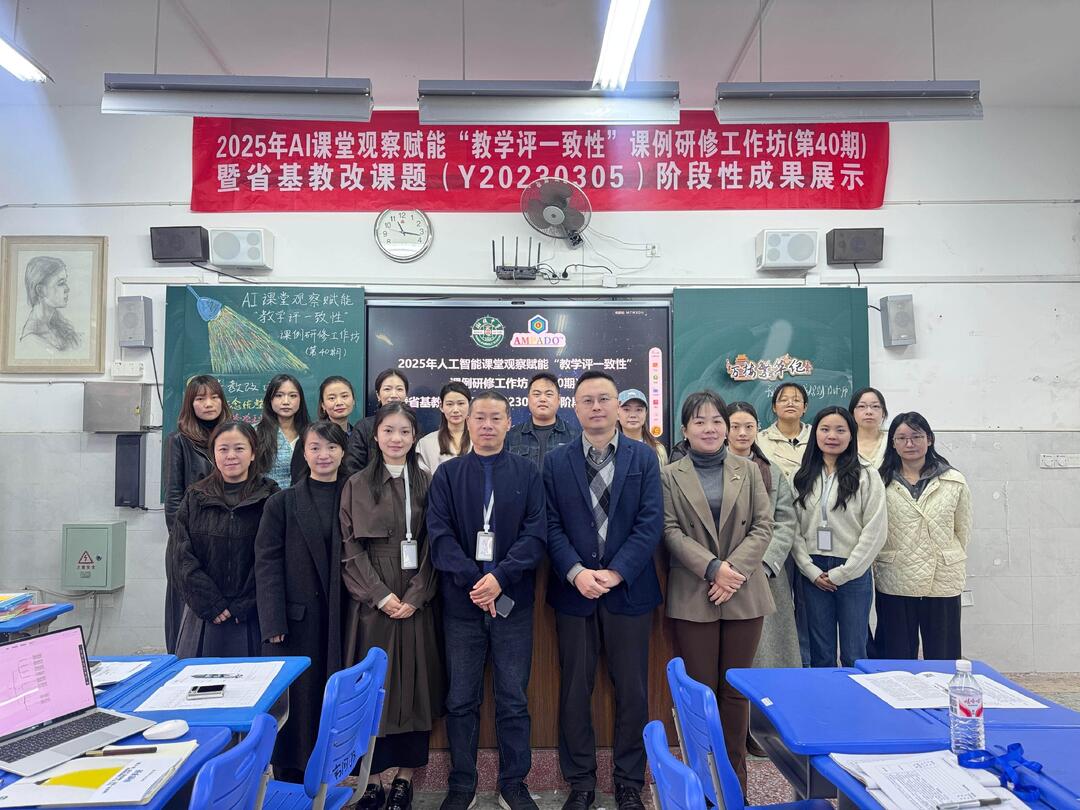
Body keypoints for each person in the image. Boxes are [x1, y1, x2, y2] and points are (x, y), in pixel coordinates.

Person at [544, 371, 663, 810]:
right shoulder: (555, 461)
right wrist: (576, 571)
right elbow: (549, 524)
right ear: (575, 407)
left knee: (632, 691)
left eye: (604, 399)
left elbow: (650, 522)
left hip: (628, 591)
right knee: (575, 690)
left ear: (618, 406)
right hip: (574, 592)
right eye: (587, 400)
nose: (596, 407)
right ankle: (581, 783)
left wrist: (616, 572)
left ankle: (629, 782)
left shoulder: (644, 458)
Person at [428, 391, 546, 810]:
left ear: (509, 422)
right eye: (480, 417)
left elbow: (536, 535)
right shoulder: (448, 475)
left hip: (513, 603)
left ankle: (513, 784)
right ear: (467, 422)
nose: (487, 425)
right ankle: (463, 784)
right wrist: (476, 582)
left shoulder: (528, 473)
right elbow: (439, 537)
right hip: (462, 605)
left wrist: (499, 577)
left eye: (496, 418)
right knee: (461, 700)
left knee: (513, 699)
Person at [661, 392, 772, 794]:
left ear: (726, 428)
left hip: (743, 590)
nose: (709, 428)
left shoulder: (749, 469)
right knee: (701, 691)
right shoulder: (670, 475)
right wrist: (712, 569)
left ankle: (735, 784)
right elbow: (669, 530)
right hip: (695, 590)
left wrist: (732, 572)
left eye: (716, 421)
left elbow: (763, 526)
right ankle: (706, 787)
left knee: (735, 691)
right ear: (685, 430)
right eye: (699, 421)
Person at [341, 403, 443, 810]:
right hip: (373, 600)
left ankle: (403, 779)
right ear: (376, 435)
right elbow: (350, 548)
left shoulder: (428, 482)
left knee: (416, 687)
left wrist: (417, 595)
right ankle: (372, 781)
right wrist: (380, 596)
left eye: (404, 431)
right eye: (388, 430)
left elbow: (436, 543)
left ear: (414, 436)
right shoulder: (356, 484)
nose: (396, 438)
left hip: (417, 594)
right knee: (374, 686)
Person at [254, 421, 348, 784]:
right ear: (303, 453)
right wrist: (273, 622)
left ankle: (330, 780)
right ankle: (292, 785)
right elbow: (267, 564)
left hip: (342, 618)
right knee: (299, 705)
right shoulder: (282, 502)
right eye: (315, 447)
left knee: (334, 701)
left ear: (343, 451)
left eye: (332, 447)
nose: (324, 455)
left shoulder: (354, 496)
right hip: (296, 624)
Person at [168, 420, 278, 658]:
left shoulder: (271, 497)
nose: (231, 456)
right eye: (223, 449)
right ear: (213, 454)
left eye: (239, 448)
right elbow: (180, 556)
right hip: (204, 616)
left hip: (253, 617)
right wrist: (210, 603)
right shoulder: (195, 497)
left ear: (253, 453)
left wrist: (246, 604)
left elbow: (275, 559)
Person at [790, 407, 887, 668]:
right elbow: (793, 528)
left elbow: (875, 529)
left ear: (851, 434)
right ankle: (825, 694)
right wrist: (810, 570)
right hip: (814, 572)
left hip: (853, 571)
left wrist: (846, 572)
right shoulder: (800, 476)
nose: (832, 436)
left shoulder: (867, 475)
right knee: (820, 653)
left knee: (855, 653)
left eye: (840, 430)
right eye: (825, 429)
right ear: (815, 434)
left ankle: (856, 695)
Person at [874, 412, 972, 660]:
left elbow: (962, 530)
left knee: (943, 655)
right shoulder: (879, 481)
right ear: (893, 443)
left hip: (942, 577)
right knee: (895, 655)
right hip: (896, 575)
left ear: (929, 439)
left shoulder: (954, 480)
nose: (910, 444)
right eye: (902, 438)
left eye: (916, 437)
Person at [163, 374, 232, 654]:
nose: (209, 404)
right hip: (189, 545)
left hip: (223, 542)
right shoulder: (179, 441)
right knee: (187, 621)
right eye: (201, 399)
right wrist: (186, 545)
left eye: (214, 397)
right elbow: (173, 499)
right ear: (190, 404)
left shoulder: (232, 438)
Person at [288, 375, 358, 478]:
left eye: (344, 396)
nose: (339, 403)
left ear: (353, 401)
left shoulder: (359, 436)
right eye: (332, 398)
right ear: (323, 405)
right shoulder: (310, 437)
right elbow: (298, 477)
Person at [345, 369, 410, 476]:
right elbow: (352, 468)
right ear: (378, 395)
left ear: (406, 394)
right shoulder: (364, 427)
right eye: (387, 389)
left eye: (399, 389)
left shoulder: (413, 426)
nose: (394, 394)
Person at [506, 371, 576, 468]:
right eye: (537, 394)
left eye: (549, 394)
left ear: (559, 399)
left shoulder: (575, 437)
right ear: (528, 399)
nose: (543, 399)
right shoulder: (511, 437)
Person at [255, 373, 311, 488]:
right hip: (267, 497)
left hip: (304, 497)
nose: (286, 401)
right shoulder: (255, 432)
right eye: (279, 395)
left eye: (293, 396)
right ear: (270, 400)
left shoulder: (311, 433)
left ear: (300, 400)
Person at [19, 255, 79, 352]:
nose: (67, 289)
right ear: (40, 290)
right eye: (61, 283)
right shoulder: (31, 340)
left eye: (65, 282)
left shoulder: (59, 324)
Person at [758, 383, 812, 481]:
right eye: (783, 400)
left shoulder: (816, 437)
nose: (790, 404)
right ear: (774, 407)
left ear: (805, 407)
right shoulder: (759, 440)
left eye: (796, 400)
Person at [417, 381, 471, 473]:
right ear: (441, 406)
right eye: (449, 404)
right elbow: (422, 478)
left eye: (461, 403)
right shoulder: (426, 444)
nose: (455, 410)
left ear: (469, 405)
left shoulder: (481, 440)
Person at [616, 388, 669, 466]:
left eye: (639, 410)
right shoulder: (609, 448)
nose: (633, 415)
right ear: (616, 414)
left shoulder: (658, 449)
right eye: (626, 409)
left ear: (645, 413)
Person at [849, 387, 889, 469]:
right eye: (862, 406)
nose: (869, 412)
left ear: (883, 412)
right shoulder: (845, 442)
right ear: (852, 413)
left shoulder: (892, 441)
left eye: (875, 406)